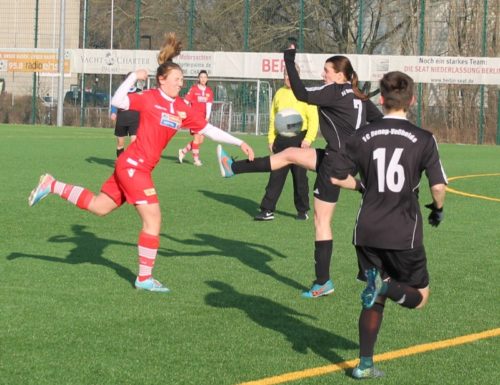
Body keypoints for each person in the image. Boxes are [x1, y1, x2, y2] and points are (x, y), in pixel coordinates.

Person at [28, 32, 254, 293]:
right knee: (154, 220)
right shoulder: (149, 98)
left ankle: (52, 184)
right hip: (134, 167)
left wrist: (239, 143)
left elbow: (209, 128)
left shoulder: (182, 108)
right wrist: (133, 77)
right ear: (162, 80)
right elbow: (117, 101)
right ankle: (144, 278)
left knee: (100, 207)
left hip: (133, 166)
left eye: (182, 79)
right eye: (177, 79)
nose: (181, 83)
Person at [217, 45, 383, 298]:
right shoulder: (359, 97)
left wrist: (288, 57)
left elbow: (301, 92)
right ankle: (232, 167)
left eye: (327, 70)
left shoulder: (336, 91)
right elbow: (379, 122)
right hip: (342, 158)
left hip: (335, 161)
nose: (323, 74)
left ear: (340, 75)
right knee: (287, 155)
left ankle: (323, 282)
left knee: (321, 222)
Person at [329, 71, 447, 378]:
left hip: (366, 230)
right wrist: (438, 210)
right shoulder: (424, 138)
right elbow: (438, 188)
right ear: (412, 101)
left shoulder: (360, 137)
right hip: (402, 232)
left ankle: (364, 365)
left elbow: (335, 176)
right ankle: (388, 286)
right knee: (419, 298)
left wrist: (361, 187)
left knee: (375, 296)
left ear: (381, 100)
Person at [254, 66, 318, 221]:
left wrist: (308, 139)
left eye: (291, 75)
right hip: (281, 139)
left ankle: (302, 211)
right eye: (285, 74)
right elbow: (273, 118)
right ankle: (267, 210)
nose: (288, 77)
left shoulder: (304, 94)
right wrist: (271, 139)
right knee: (275, 175)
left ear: (297, 76)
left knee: (300, 177)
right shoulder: (279, 93)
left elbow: (314, 120)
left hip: (299, 140)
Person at [178, 70, 214, 166]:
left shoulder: (209, 91)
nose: (203, 79)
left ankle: (183, 151)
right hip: (194, 118)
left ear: (207, 79)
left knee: (200, 140)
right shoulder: (194, 89)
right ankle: (196, 160)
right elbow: (186, 101)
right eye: (201, 77)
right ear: (198, 78)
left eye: (204, 77)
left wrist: (207, 117)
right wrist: (182, 111)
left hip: (203, 119)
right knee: (197, 139)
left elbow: (209, 105)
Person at [110, 73, 141, 158]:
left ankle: (132, 161)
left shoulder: (139, 91)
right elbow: (114, 102)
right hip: (122, 118)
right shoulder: (121, 91)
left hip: (135, 119)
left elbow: (144, 104)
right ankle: (120, 161)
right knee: (120, 143)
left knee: (134, 142)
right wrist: (113, 112)